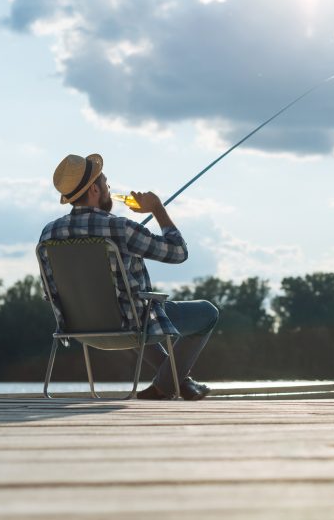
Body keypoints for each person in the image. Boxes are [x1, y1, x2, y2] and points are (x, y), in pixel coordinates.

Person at [38, 153, 218, 401]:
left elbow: (50, 292)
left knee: (132, 312)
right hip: (129, 329)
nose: (109, 189)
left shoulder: (48, 234)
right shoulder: (120, 228)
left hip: (77, 330)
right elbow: (178, 252)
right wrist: (157, 209)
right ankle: (165, 386)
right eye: (105, 183)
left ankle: (179, 383)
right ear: (94, 189)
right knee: (207, 313)